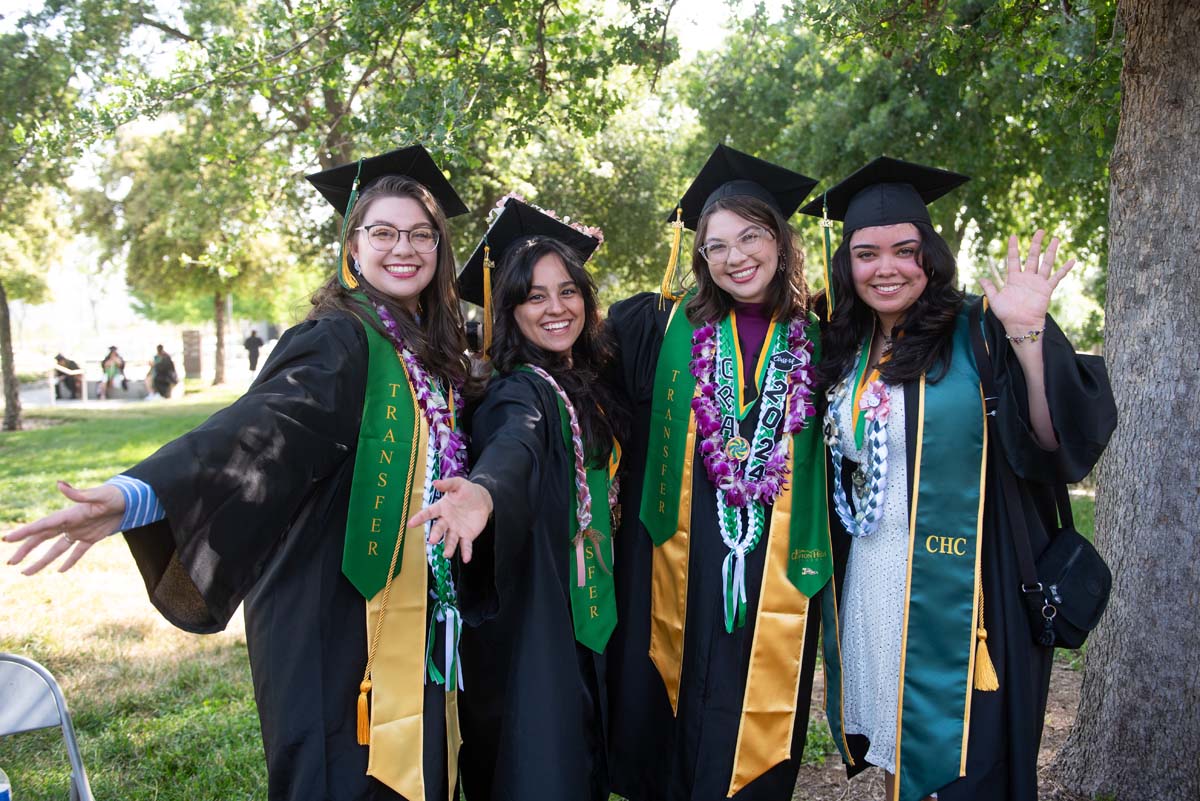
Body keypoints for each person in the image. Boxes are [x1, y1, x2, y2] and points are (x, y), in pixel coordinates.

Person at [5, 145, 475, 801]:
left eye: (421, 234)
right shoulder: (337, 339)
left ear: (440, 248)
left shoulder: (434, 351)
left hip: (412, 602)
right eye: (384, 232)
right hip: (331, 608)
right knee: (342, 774)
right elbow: (259, 428)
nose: (405, 247)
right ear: (353, 244)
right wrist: (134, 496)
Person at [799, 157, 1117, 801]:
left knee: (969, 757)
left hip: (973, 583)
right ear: (847, 264)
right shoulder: (845, 348)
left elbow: (1051, 443)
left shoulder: (980, 328)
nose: (885, 268)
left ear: (929, 256)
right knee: (895, 740)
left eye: (904, 251)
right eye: (866, 254)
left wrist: (1027, 335)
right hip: (874, 572)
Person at [604, 145, 832, 801]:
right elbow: (570, 367)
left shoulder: (824, 340)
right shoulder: (656, 325)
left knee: (754, 734)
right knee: (673, 727)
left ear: (781, 240)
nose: (735, 258)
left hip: (779, 568)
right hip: (677, 560)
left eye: (750, 236)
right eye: (716, 246)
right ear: (699, 257)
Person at [414, 196, 622, 801]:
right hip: (537, 615)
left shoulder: (584, 379)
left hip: (579, 602)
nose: (556, 308)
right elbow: (516, 446)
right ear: (508, 310)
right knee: (539, 763)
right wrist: (482, 493)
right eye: (534, 296)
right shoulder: (518, 390)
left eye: (567, 291)